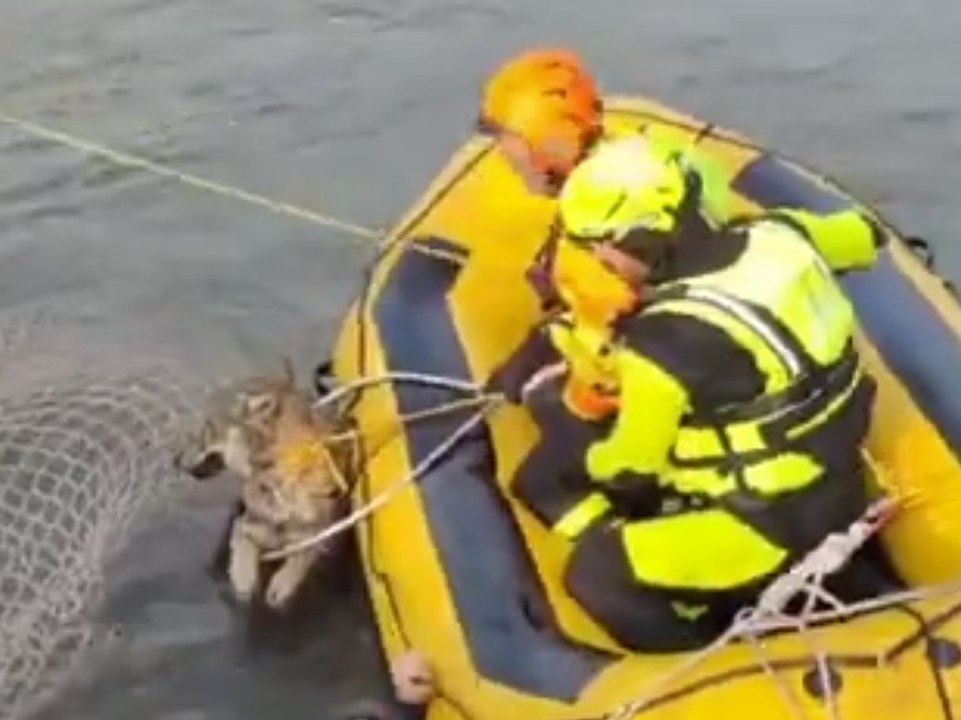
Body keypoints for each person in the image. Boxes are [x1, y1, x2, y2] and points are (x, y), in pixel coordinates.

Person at [494, 134, 888, 651]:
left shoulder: (664, 341)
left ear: (641, 239)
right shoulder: (782, 235)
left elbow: (629, 469)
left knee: (590, 559)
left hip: (762, 527)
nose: (597, 261)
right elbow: (865, 235)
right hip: (841, 480)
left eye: (597, 246)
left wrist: (578, 419)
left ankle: (715, 647)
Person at [477, 48, 731, 311]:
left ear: (537, 140)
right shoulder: (645, 150)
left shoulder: (592, 200)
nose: (504, 153)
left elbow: (624, 293)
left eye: (506, 138)